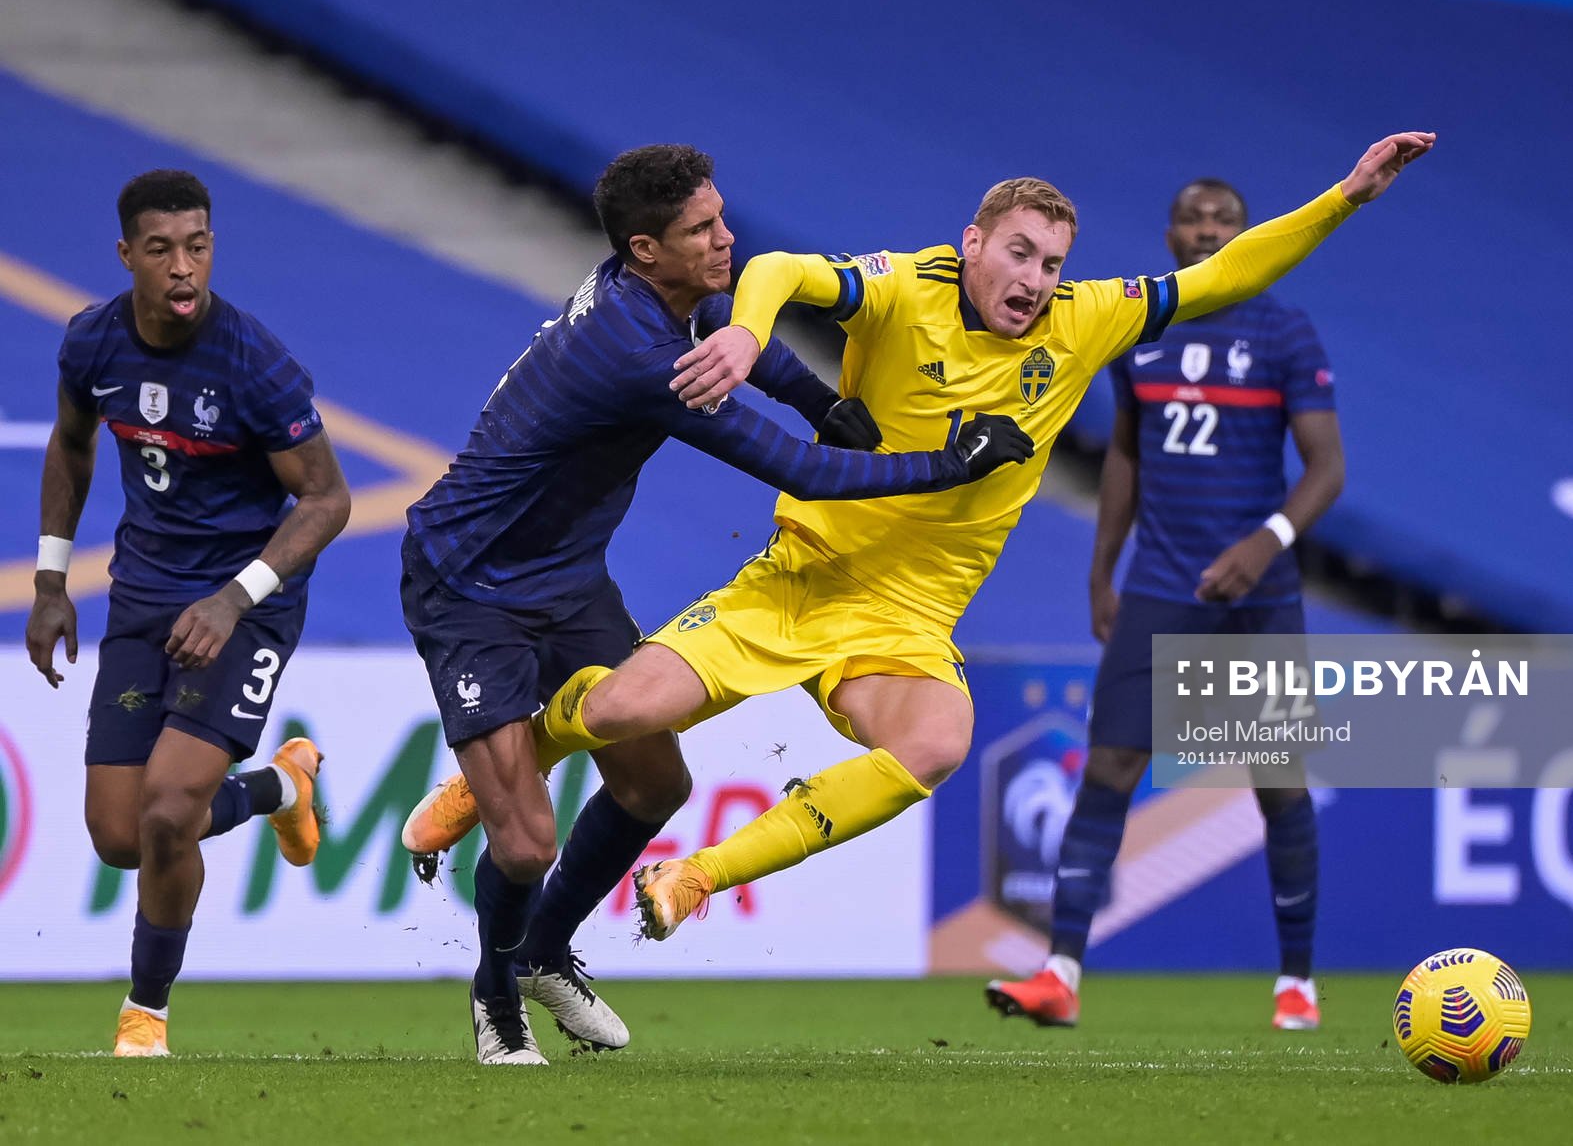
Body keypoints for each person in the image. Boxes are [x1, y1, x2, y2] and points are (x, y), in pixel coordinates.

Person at [412, 130, 1431, 955]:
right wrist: (743, 333)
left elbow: (1221, 277)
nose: (1035, 279)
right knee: (627, 709)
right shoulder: (904, 285)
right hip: (797, 578)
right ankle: (506, 763)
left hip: (904, 619)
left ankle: (696, 874)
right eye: (1020, 253)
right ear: (973, 243)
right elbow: (780, 269)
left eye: (1052, 262)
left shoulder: (1087, 323)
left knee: (939, 740)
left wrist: (1346, 196)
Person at [395, 144, 1033, 1065]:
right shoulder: (633, 352)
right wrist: (949, 465)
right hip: (470, 585)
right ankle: (497, 993)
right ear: (647, 248)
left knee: (657, 782)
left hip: (568, 576)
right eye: (703, 230)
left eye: (722, 217)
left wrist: (819, 396)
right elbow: (799, 471)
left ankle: (543, 951)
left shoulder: (650, 291)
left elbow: (737, 332)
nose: (727, 238)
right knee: (528, 843)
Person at [983, 177, 1346, 1030]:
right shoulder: (1142, 327)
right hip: (1160, 585)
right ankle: (1060, 970)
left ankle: (1297, 981)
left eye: (1224, 219)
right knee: (1110, 768)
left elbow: (1328, 470)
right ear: (1171, 230)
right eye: (1193, 218)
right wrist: (1101, 571)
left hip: (1259, 595)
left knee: (1277, 782)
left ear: (1246, 232)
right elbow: (1126, 459)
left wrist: (1266, 543)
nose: (1207, 229)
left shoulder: (1285, 330)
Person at [26, 170, 349, 1058]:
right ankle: (281, 787)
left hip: (243, 601)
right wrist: (52, 583)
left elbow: (327, 501)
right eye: (162, 248)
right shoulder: (93, 342)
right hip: (142, 596)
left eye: (198, 245)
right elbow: (72, 443)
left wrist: (234, 595)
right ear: (126, 255)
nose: (183, 267)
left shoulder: (255, 362)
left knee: (171, 813)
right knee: (120, 836)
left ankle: (145, 1018)